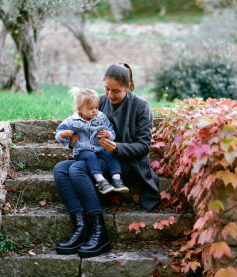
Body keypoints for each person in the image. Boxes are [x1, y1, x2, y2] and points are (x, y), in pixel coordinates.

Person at [53, 63, 161, 258]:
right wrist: (72, 141)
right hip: (95, 156)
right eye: (107, 89)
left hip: (123, 164)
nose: (110, 95)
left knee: (77, 169)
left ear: (128, 86)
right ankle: (80, 227)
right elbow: (77, 125)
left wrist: (118, 147)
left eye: (116, 91)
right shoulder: (98, 102)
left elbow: (143, 146)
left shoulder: (141, 106)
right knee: (60, 169)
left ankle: (99, 232)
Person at [55, 87, 129, 194]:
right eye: (90, 108)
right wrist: (63, 134)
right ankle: (101, 181)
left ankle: (117, 179)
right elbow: (58, 133)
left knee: (110, 153)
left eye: (96, 107)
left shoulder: (101, 117)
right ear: (80, 109)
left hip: (99, 148)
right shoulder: (72, 121)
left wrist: (108, 134)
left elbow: (111, 130)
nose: (95, 111)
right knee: (90, 156)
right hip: (82, 152)